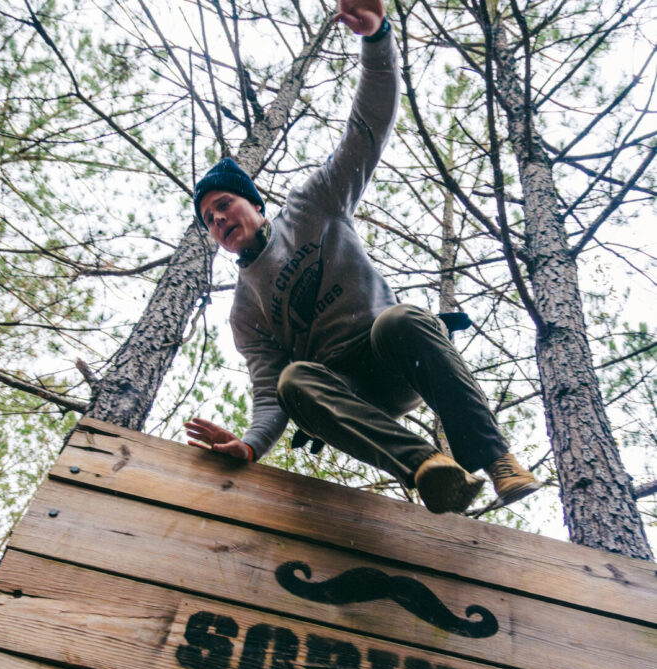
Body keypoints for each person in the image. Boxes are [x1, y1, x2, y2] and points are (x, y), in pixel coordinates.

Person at [185, 0, 541, 515]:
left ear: (254, 203)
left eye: (225, 205)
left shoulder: (315, 204)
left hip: (395, 356)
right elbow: (268, 394)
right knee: (292, 381)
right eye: (210, 221)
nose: (219, 221)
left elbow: (367, 126)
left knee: (398, 319)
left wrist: (377, 38)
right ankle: (428, 469)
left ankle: (496, 458)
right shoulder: (246, 311)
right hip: (345, 394)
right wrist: (249, 446)